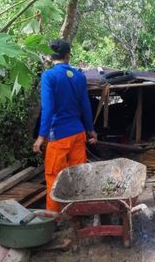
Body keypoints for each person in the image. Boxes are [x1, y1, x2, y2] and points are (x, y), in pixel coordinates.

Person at [33, 39, 97, 212]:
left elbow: (48, 108)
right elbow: (85, 105)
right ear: (68, 56)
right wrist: (91, 130)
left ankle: (54, 217)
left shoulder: (49, 76)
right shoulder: (79, 76)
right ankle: (80, 211)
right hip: (78, 132)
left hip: (58, 136)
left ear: (50, 56)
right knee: (79, 174)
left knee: (54, 177)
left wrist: (41, 137)